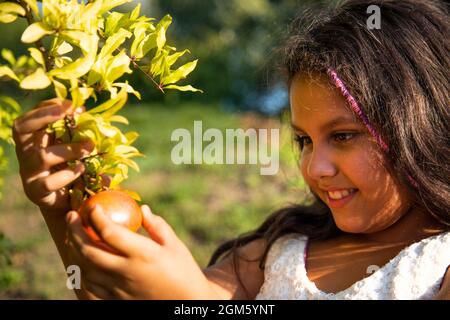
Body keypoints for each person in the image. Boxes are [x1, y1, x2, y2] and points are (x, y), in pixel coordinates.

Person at [13, 0, 449, 299]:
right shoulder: (278, 252)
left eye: (342, 136)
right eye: (303, 140)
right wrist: (63, 206)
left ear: (420, 122)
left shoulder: (439, 264)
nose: (315, 167)